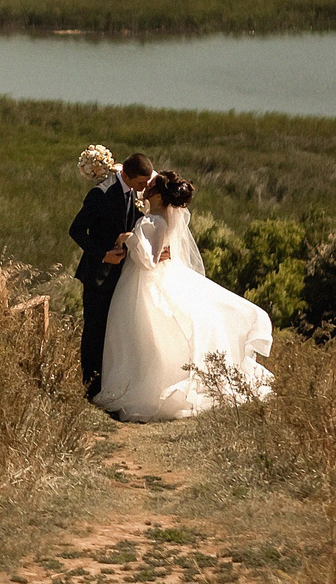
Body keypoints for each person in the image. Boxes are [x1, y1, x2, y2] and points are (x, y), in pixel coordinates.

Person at [94, 170, 275, 422]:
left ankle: (142, 388)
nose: (145, 188)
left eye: (151, 186)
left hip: (143, 282)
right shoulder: (158, 219)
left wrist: (129, 239)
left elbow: (149, 261)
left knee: (141, 333)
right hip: (145, 278)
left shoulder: (152, 221)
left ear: (158, 196)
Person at [68, 146, 154, 400]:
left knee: (114, 332)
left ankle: (110, 385)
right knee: (95, 332)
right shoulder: (101, 194)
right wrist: (103, 254)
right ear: (126, 175)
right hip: (98, 275)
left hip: (122, 275)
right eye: (141, 183)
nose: (144, 187)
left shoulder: (134, 193)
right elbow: (76, 230)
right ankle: (90, 390)